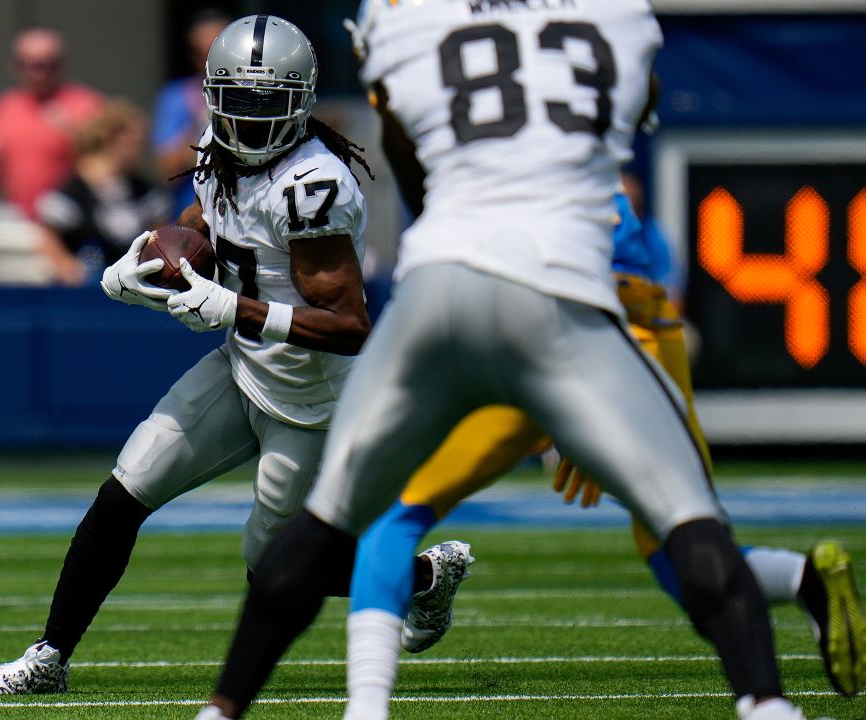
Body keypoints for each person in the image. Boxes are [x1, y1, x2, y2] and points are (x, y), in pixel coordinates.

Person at [195, 2, 815, 719]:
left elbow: (403, 144)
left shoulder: (408, 16)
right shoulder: (614, 17)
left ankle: (228, 710)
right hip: (560, 291)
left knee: (329, 519)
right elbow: (638, 103)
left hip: (443, 280)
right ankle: (768, 706)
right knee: (688, 515)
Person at [0, 15, 469, 697]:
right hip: (240, 365)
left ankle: (423, 578)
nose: (251, 123)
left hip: (310, 398)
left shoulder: (313, 185)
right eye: (239, 105)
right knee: (126, 490)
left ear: (301, 102)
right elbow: (203, 221)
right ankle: (49, 657)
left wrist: (234, 309)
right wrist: (146, 255)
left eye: (267, 107)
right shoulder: (216, 148)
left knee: (272, 567)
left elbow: (350, 325)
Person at [342, 187, 866, 718]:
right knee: (682, 545)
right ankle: (798, 590)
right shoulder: (583, 153)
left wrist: (578, 404)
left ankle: (365, 709)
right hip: (638, 330)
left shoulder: (487, 158)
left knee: (398, 511)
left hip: (554, 327)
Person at [0, 28, 103, 222]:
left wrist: (75, 135)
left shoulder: (86, 105)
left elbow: (108, 169)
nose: (39, 74)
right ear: (14, 66)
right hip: (21, 223)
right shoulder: (5, 107)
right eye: (30, 65)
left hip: (75, 223)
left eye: (48, 65)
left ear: (62, 64)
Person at [37, 99, 173, 284]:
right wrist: (68, 269)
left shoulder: (144, 191)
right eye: (135, 143)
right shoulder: (75, 191)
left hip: (132, 289)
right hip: (86, 292)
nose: (141, 152)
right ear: (111, 140)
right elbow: (49, 236)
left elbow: (161, 233)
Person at [152, 10, 229, 219]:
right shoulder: (175, 97)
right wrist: (202, 125)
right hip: (193, 216)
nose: (207, 59)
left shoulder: (254, 93)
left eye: (215, 49)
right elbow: (167, 171)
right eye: (199, 51)